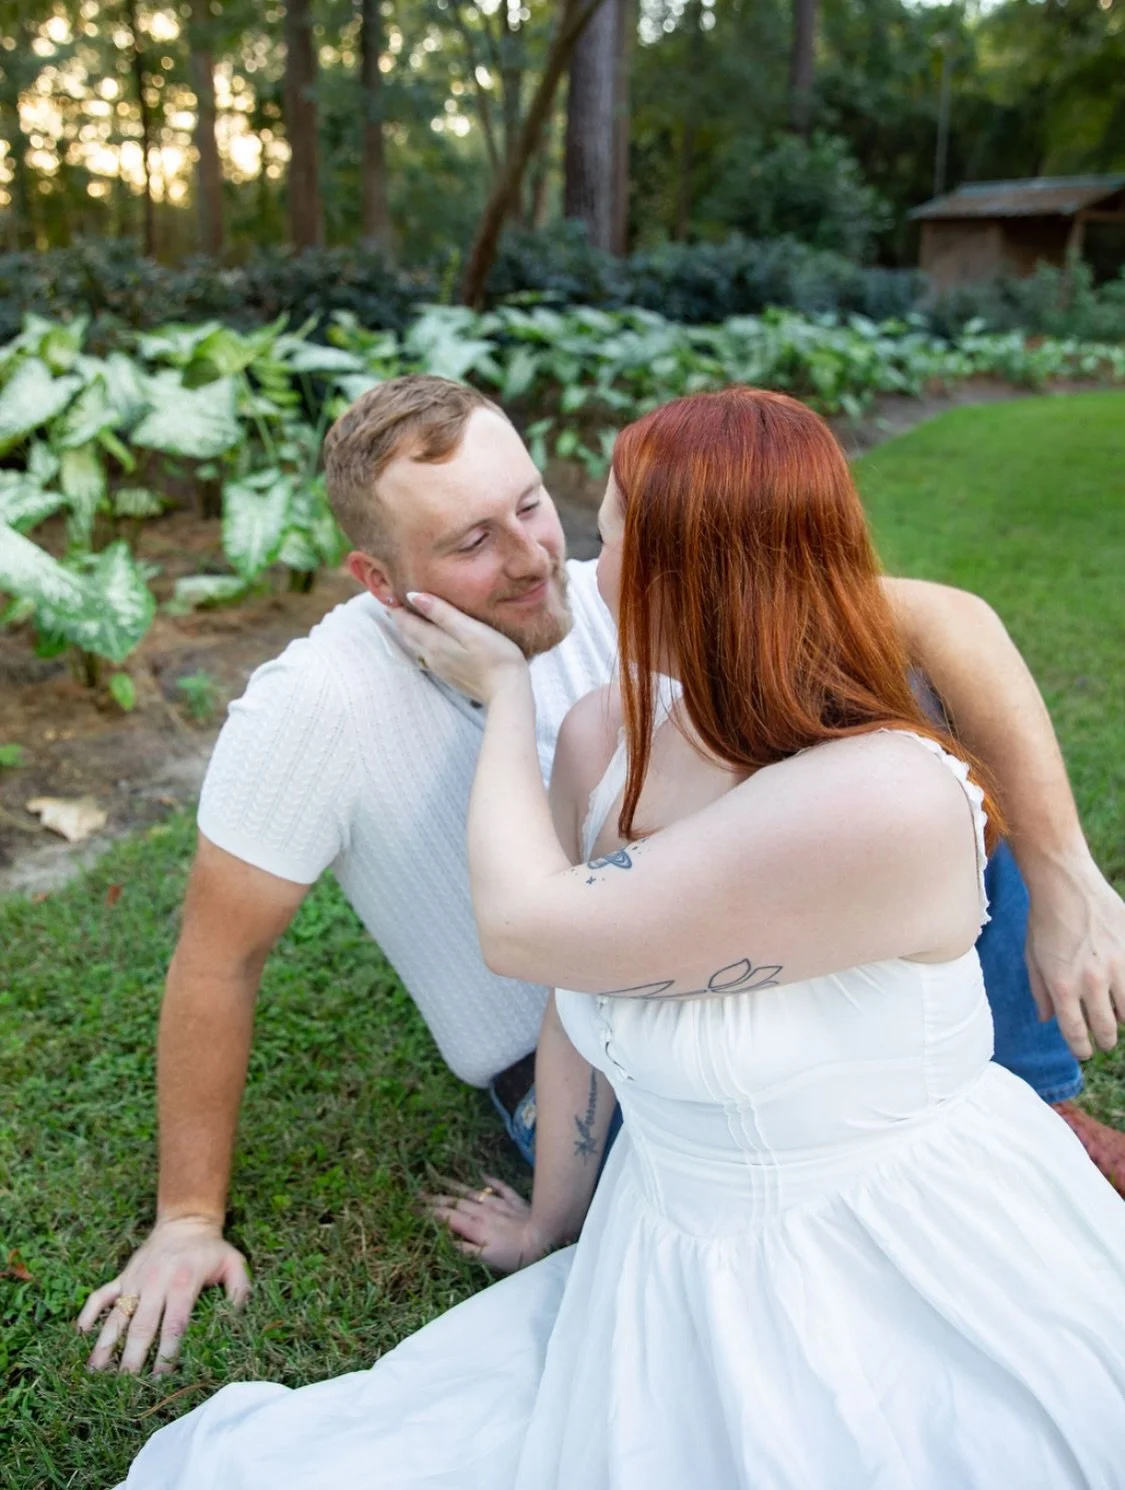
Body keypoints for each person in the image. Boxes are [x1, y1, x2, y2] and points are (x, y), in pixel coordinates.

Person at [117, 386, 1125, 1489]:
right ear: (379, 578)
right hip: (591, 1038)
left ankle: (1038, 1108)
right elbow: (220, 956)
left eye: (539, 507)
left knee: (925, 817)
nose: (539, 559)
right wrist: (185, 1215)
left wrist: (1065, 866)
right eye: (472, 540)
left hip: (785, 975)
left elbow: (952, 623)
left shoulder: (638, 593)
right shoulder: (316, 709)